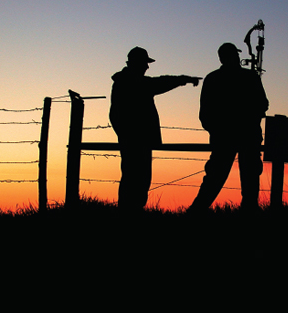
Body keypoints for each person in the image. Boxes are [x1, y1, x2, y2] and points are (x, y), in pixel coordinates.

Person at [109, 46, 200, 214]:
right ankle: (129, 213)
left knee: (133, 178)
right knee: (137, 179)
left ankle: (129, 212)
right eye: (145, 63)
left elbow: (114, 115)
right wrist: (184, 79)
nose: (147, 67)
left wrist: (124, 135)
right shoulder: (134, 83)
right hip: (137, 141)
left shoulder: (125, 82)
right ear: (136, 63)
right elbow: (160, 82)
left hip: (133, 140)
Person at [187, 42, 269, 214]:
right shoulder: (249, 77)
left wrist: (216, 130)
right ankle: (247, 210)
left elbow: (205, 113)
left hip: (227, 137)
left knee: (221, 175)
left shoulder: (213, 78)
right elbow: (263, 104)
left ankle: (197, 211)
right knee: (246, 175)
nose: (237, 58)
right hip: (244, 136)